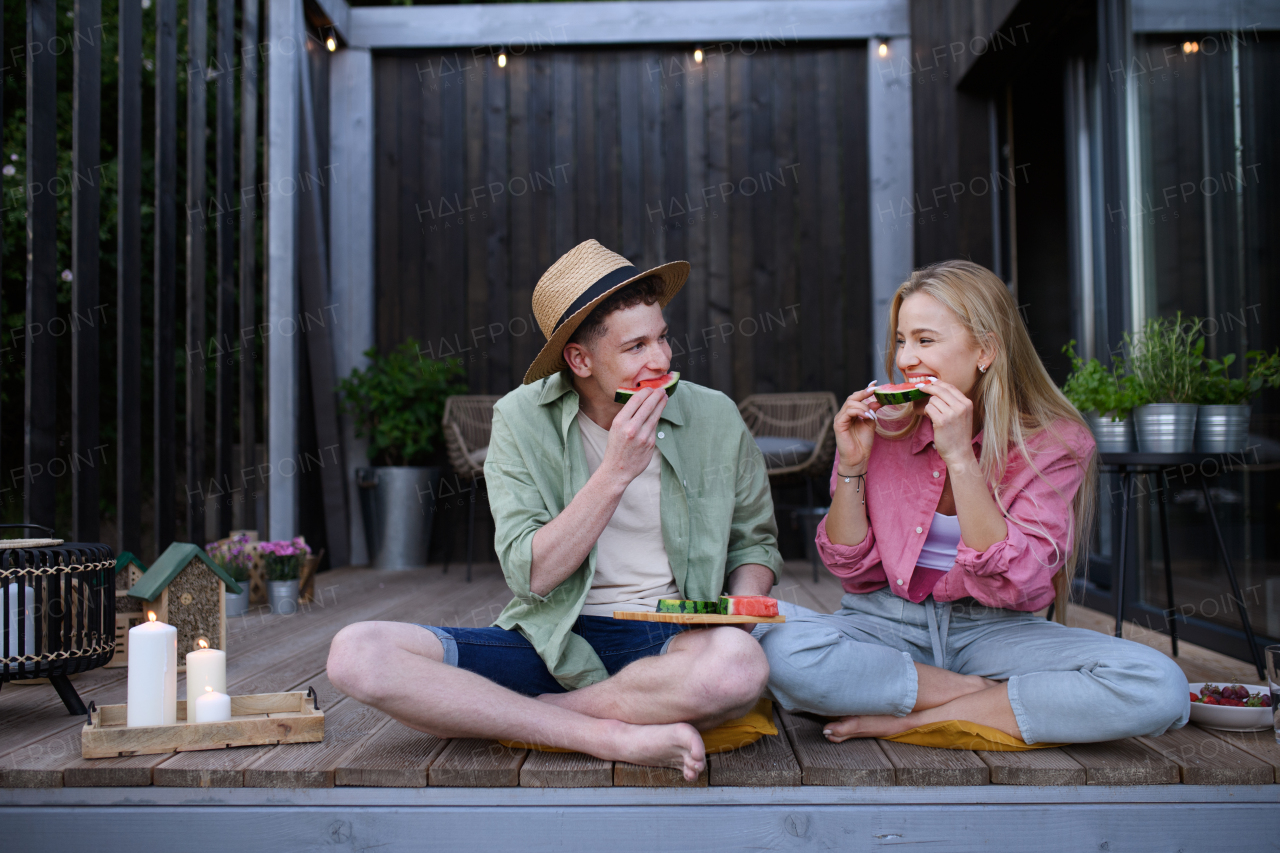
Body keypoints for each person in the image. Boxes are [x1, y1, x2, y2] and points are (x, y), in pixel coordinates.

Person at [328, 239, 783, 780]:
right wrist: (616, 471)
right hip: (552, 639)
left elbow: (755, 541)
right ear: (580, 359)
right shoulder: (519, 420)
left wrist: (742, 606)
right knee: (357, 653)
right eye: (635, 347)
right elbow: (532, 575)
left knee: (738, 666)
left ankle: (530, 717)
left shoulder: (714, 415)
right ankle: (602, 733)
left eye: (662, 338)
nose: (661, 360)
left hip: (673, 638)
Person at [761, 260, 1189, 745]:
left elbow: (1016, 577)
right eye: (901, 341)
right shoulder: (885, 427)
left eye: (925, 340)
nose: (905, 358)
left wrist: (961, 457)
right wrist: (854, 464)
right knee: (765, 639)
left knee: (1160, 685)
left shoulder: (1056, 443)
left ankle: (912, 718)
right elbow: (851, 568)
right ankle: (977, 696)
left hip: (997, 631)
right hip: (885, 622)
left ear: (985, 349)